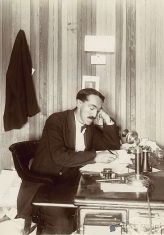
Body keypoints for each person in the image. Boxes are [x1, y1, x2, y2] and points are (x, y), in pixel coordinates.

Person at [17, 88, 121, 234]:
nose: (94, 114)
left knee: (101, 213)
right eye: (92, 108)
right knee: (63, 223)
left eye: (98, 110)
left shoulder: (89, 126)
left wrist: (107, 119)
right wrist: (95, 157)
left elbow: (112, 145)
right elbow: (60, 156)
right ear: (79, 103)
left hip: (72, 183)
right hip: (47, 186)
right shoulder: (56, 120)